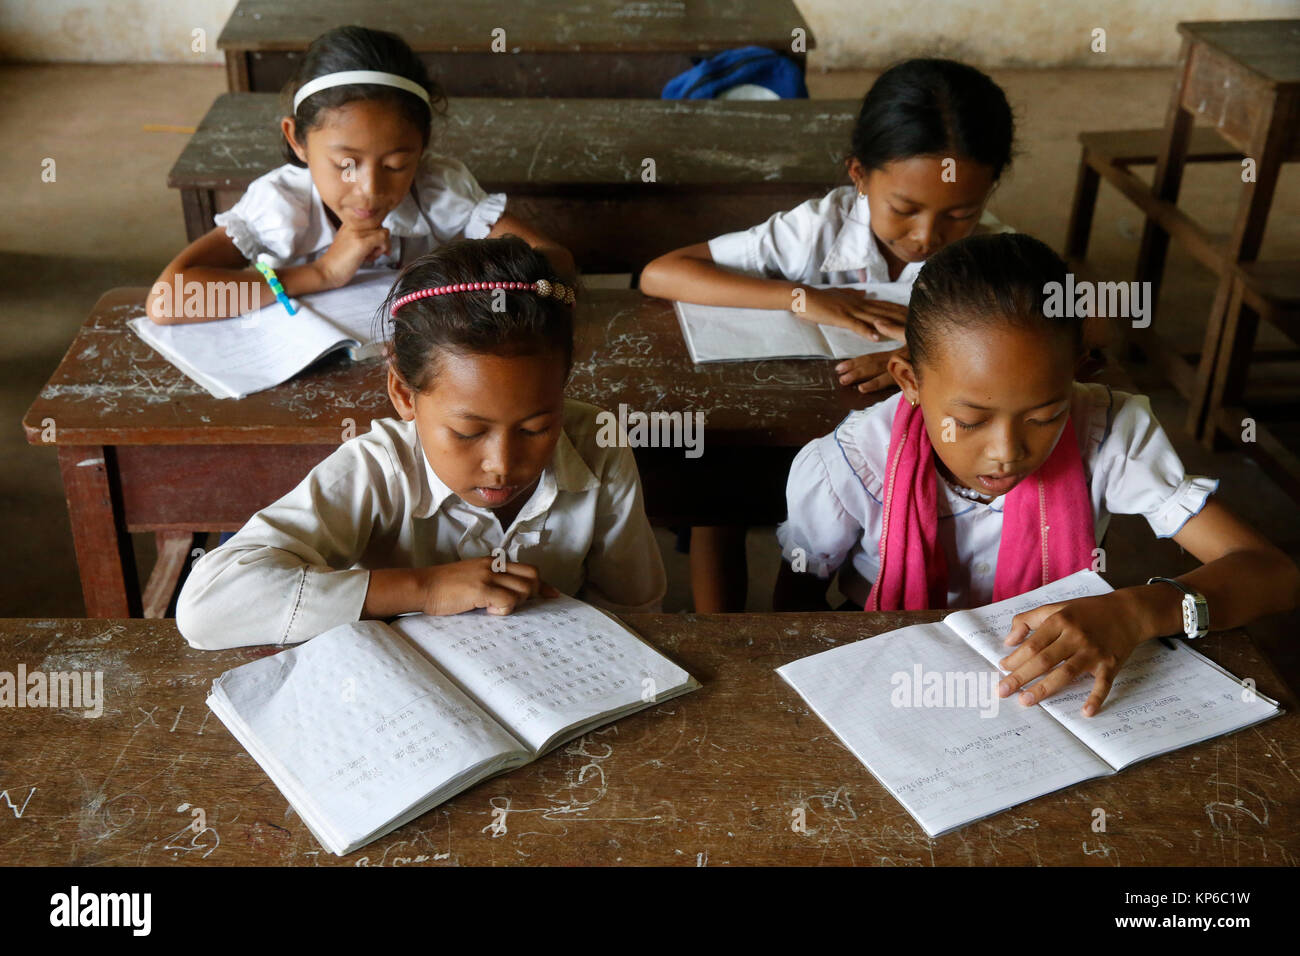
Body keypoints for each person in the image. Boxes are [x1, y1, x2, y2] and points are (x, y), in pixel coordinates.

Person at [774, 232, 1300, 714]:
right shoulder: (851, 464)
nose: (1006, 452)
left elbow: (1274, 575)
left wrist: (1136, 612)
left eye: (1046, 416)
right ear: (909, 380)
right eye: (970, 422)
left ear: (1074, 376)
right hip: (892, 679)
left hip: (1050, 685)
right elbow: (790, 616)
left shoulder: (1107, 432)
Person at [177, 237, 665, 649]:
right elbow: (208, 605)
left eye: (536, 428)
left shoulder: (597, 445)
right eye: (468, 432)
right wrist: (424, 588)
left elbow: (635, 608)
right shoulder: (377, 470)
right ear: (403, 394)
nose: (502, 464)